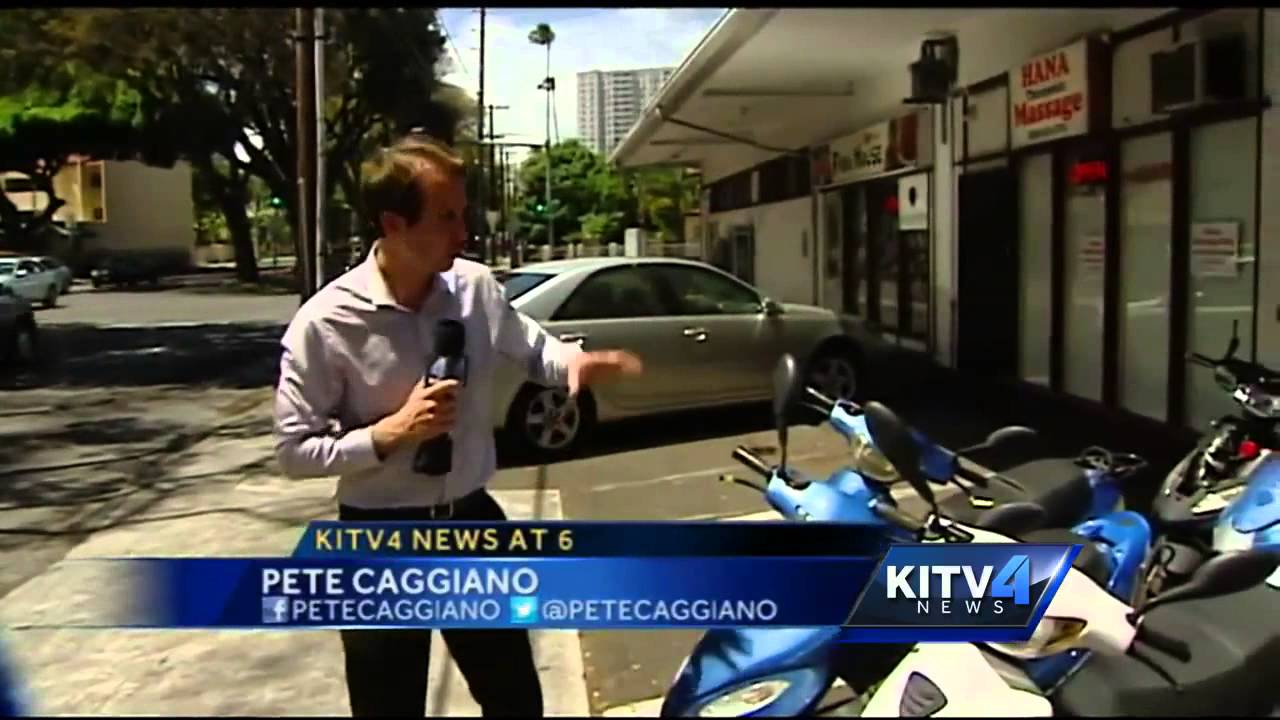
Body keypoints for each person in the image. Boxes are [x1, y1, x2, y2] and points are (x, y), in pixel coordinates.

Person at [273, 134, 642, 718]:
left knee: (515, 698)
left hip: (472, 524)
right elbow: (295, 450)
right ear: (393, 224)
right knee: (387, 707)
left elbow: (532, 348)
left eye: (463, 214)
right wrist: (391, 433)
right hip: (381, 541)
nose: (463, 232)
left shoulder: (475, 287)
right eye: (446, 217)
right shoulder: (325, 323)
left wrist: (574, 364)